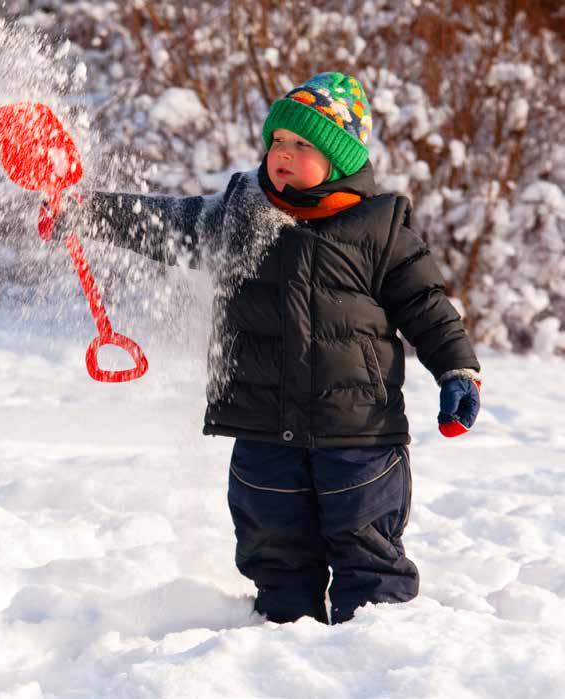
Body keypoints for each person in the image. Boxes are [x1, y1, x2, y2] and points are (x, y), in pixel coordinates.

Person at [53, 72, 481, 624]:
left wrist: (457, 372)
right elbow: (167, 223)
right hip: (262, 430)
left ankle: (377, 655)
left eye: (303, 145)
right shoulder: (243, 213)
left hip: (357, 435)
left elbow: (427, 307)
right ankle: (279, 653)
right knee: (275, 555)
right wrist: (87, 211)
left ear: (340, 158)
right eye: (278, 140)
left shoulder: (380, 227)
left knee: (368, 556)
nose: (283, 153)